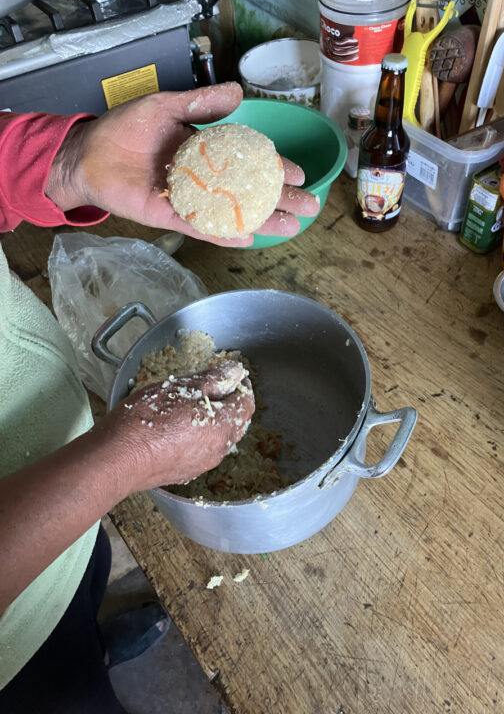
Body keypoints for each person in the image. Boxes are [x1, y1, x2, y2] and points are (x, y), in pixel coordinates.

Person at [0, 82, 319, 712]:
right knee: (65, 687)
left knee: (81, 589)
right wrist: (125, 458)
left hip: (64, 504)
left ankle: (88, 634)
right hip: (11, 647)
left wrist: (71, 160)